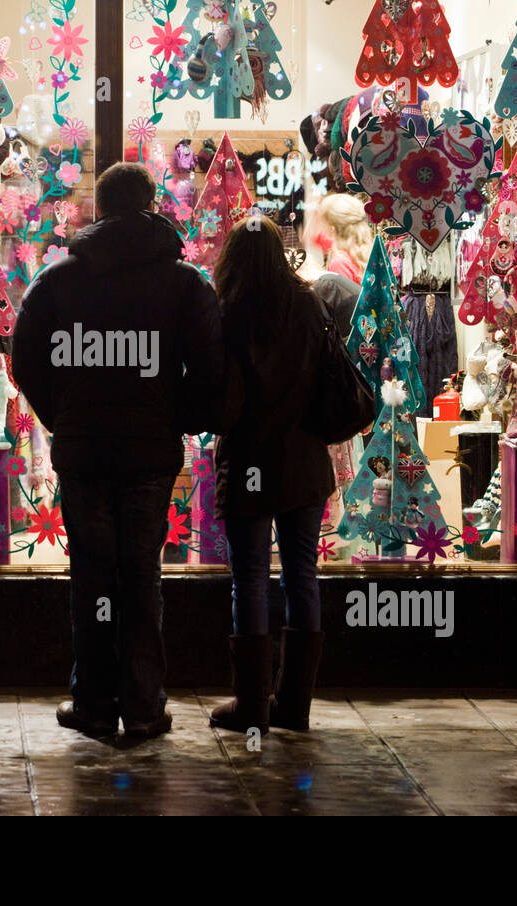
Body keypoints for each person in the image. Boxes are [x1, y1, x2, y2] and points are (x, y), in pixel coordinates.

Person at [12, 162, 224, 739]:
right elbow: (212, 367)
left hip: (84, 452)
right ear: (152, 203)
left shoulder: (58, 280)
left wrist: (63, 417)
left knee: (93, 577)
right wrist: (178, 416)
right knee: (140, 576)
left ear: (98, 209)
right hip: (150, 454)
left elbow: (25, 357)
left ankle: (96, 704)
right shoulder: (183, 283)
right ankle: (145, 704)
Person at [209, 215, 337, 734]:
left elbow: (220, 397)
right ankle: (295, 705)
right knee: (302, 575)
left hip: (248, 464)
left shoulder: (228, 314)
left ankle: (252, 706)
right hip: (303, 461)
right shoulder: (309, 305)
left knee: (250, 580)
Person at [306, 192, 372, 285]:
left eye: (322, 223)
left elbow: (343, 299)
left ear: (332, 229)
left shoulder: (339, 263)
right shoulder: (369, 251)